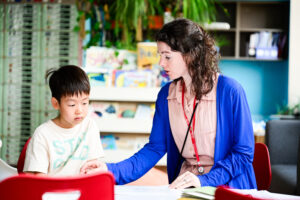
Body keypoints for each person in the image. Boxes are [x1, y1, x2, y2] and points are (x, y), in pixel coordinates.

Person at [80, 18, 257, 189]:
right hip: (186, 188)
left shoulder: (230, 91)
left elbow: (243, 155)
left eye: (167, 56)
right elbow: (154, 149)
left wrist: (204, 180)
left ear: (190, 55)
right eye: (160, 56)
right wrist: (109, 170)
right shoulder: (166, 95)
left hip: (227, 185)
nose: (160, 63)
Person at [24, 65, 104, 176]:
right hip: (50, 190)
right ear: (56, 103)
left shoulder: (90, 126)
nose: (79, 110)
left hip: (82, 190)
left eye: (85, 103)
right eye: (72, 104)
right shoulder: (43, 134)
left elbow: (94, 167)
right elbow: (36, 178)